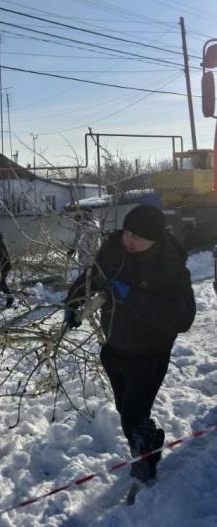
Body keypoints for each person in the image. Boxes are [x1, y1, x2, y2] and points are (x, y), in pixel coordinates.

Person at [65, 204, 196, 494]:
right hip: (113, 348)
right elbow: (91, 277)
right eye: (127, 232)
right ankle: (148, 440)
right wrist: (72, 303)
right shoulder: (113, 251)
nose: (128, 240)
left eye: (137, 236)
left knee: (132, 416)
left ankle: (145, 473)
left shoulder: (172, 268)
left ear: (154, 239)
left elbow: (182, 318)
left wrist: (130, 296)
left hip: (150, 355)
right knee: (126, 410)